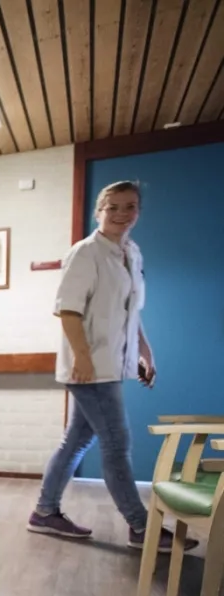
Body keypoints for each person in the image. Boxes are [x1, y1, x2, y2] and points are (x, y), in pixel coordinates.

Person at [29, 181, 192, 552]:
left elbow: (130, 312)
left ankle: (44, 511)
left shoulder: (132, 253)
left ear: (138, 211)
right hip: (90, 369)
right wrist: (83, 358)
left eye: (130, 206)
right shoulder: (85, 253)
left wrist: (144, 352)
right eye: (113, 207)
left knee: (77, 441)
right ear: (98, 211)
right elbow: (68, 310)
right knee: (117, 444)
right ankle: (140, 526)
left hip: (113, 364)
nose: (121, 214)